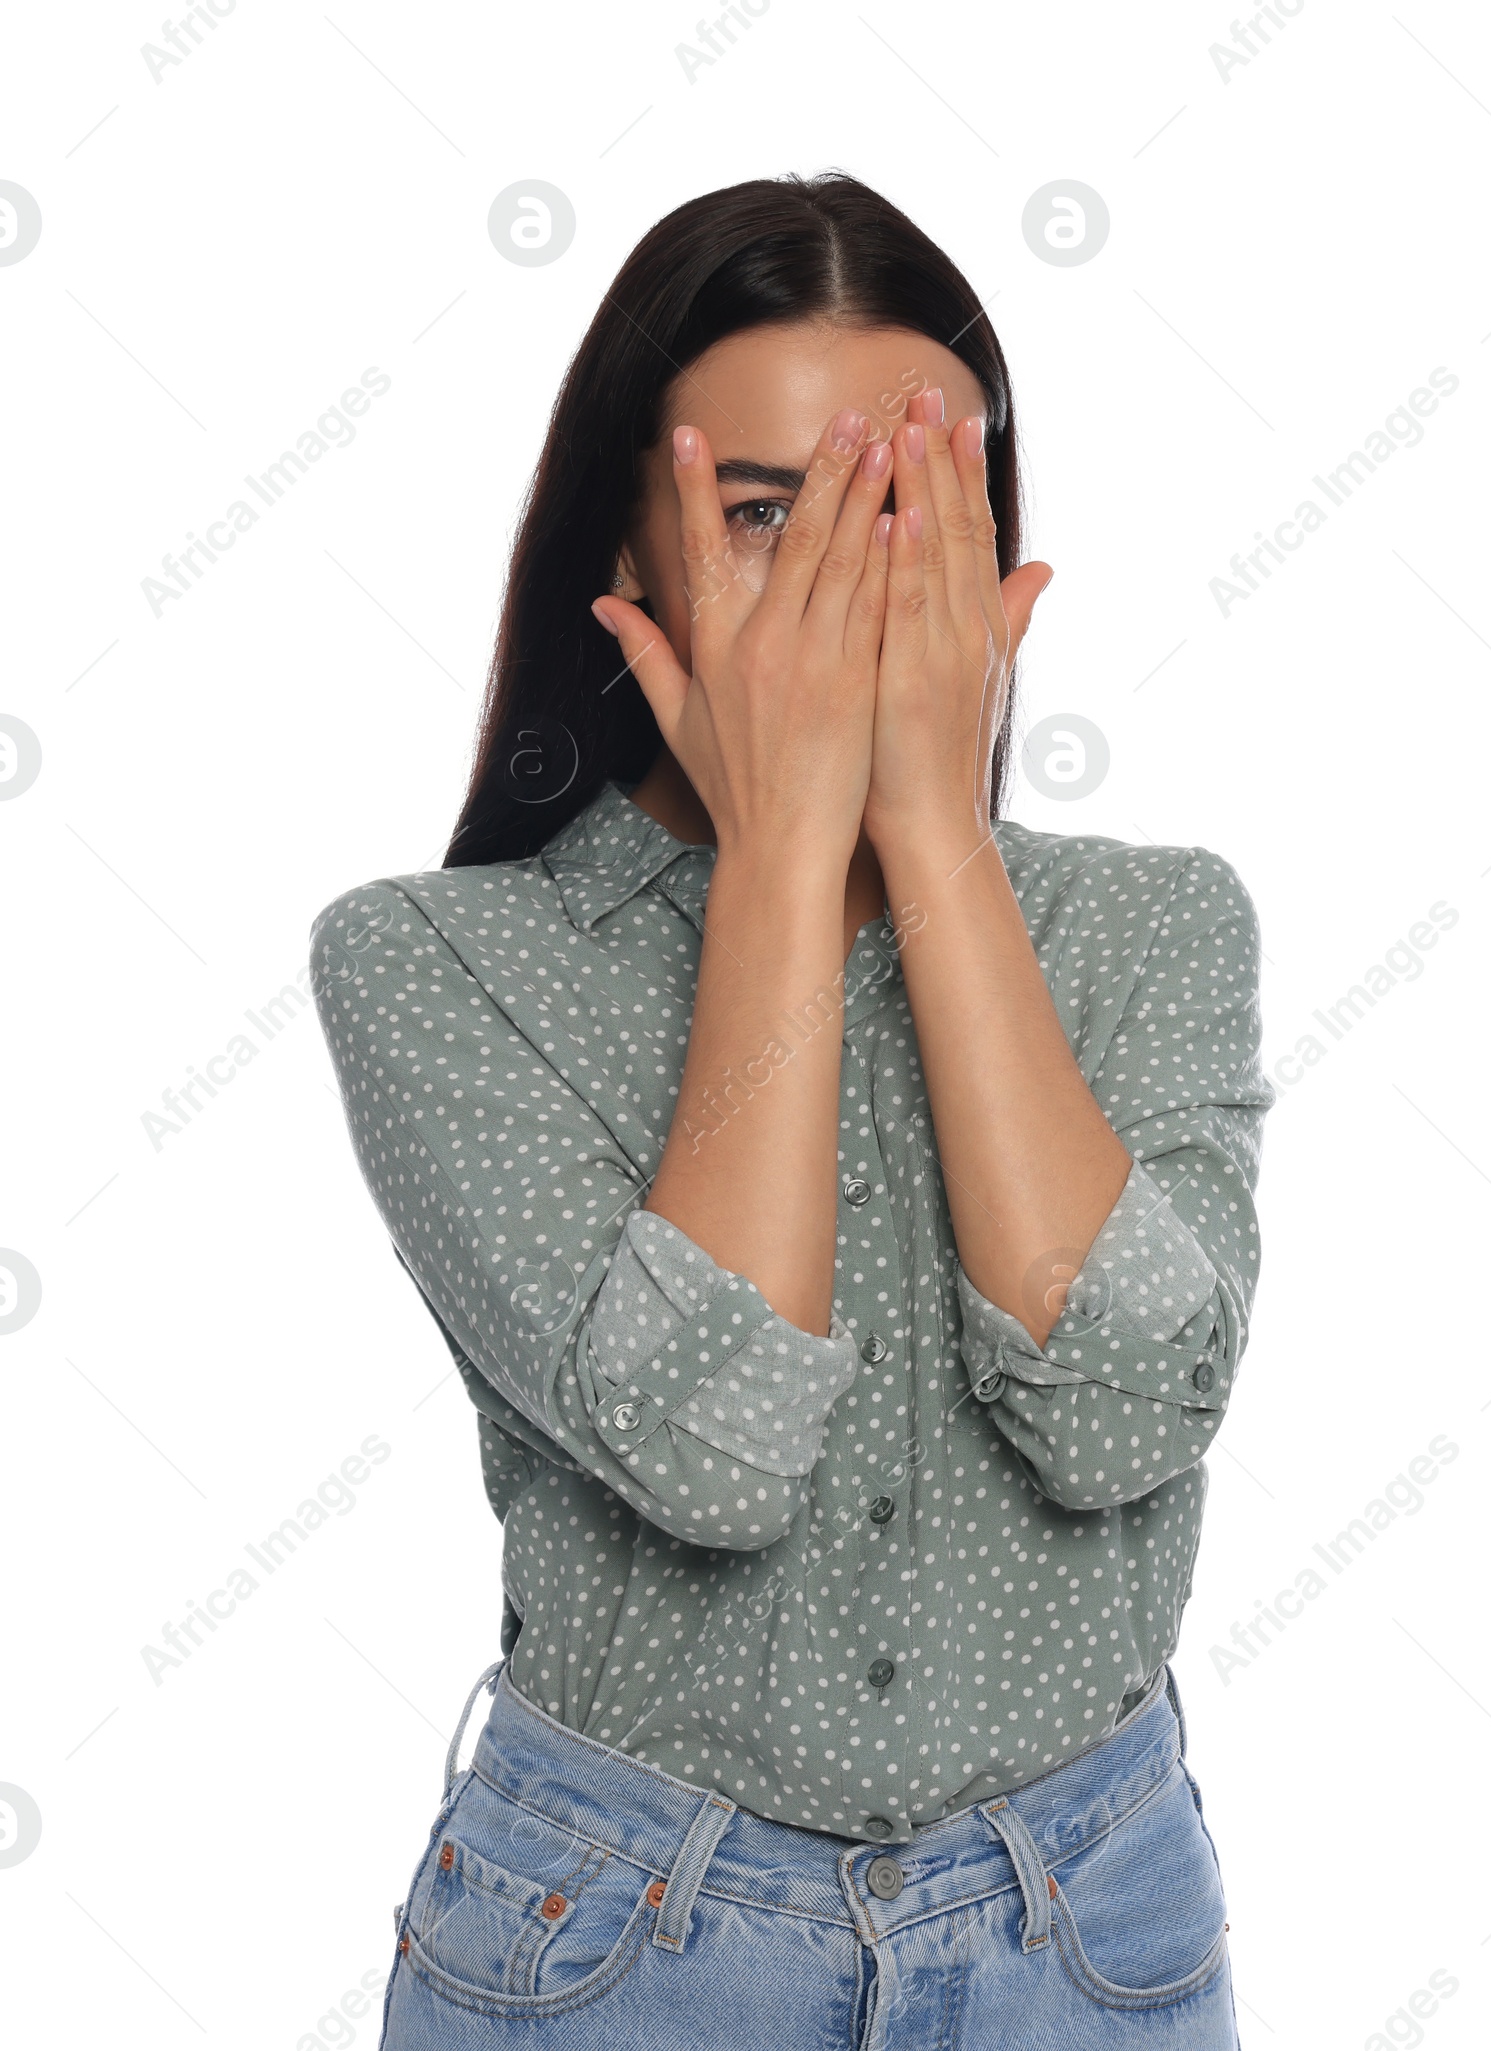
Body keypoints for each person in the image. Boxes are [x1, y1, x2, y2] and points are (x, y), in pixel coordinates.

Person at [311, 170, 1273, 2049]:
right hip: (619, 1945)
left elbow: (1131, 1415)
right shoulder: (434, 965)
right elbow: (711, 1445)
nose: (846, 585)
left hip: (1091, 1930)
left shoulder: (1157, 924)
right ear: (636, 551)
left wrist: (926, 834)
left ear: (1002, 575)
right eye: (770, 516)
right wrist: (781, 854)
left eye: (908, 521)